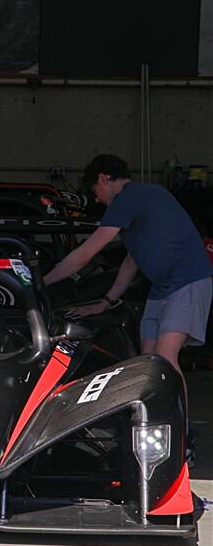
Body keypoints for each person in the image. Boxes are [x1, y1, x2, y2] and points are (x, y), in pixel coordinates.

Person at [44, 154, 213, 383]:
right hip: (162, 287)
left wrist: (41, 282)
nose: (98, 200)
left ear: (103, 179)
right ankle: (150, 406)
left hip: (186, 281)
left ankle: (177, 408)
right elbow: (131, 262)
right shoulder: (143, 198)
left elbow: (85, 253)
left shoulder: (127, 198)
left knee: (165, 360)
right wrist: (105, 302)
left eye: (95, 192)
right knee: (148, 361)